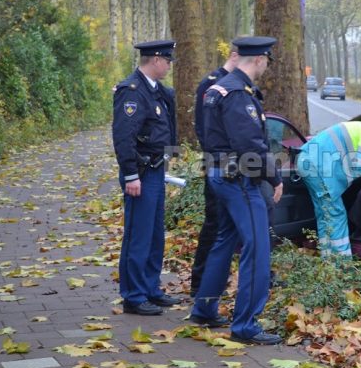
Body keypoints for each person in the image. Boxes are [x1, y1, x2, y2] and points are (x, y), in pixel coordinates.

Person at [190, 36, 284, 346]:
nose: (266, 67)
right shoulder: (237, 94)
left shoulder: (217, 88)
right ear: (258, 59)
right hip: (240, 179)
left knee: (224, 240)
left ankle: (204, 308)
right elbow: (250, 145)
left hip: (220, 173)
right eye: (266, 62)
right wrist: (275, 177)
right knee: (256, 246)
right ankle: (245, 324)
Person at [112, 40, 182, 316]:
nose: (169, 65)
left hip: (156, 170)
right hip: (139, 173)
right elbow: (123, 136)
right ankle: (134, 295)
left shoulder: (157, 92)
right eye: (167, 60)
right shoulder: (132, 91)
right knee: (138, 236)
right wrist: (130, 174)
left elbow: (165, 127)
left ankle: (151, 288)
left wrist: (171, 155)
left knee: (154, 235)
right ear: (155, 60)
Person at [296, 119, 361, 256]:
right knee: (336, 214)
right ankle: (341, 265)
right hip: (320, 167)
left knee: (324, 214)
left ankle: (328, 259)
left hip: (307, 160)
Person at [190, 42, 241, 298]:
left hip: (237, 166)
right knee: (214, 223)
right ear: (234, 56)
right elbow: (204, 128)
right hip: (218, 163)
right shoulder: (212, 83)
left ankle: (218, 281)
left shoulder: (237, 84)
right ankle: (199, 283)